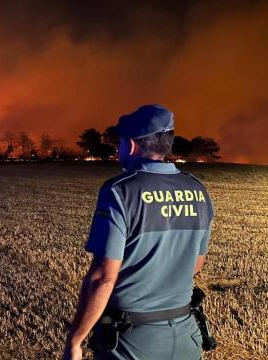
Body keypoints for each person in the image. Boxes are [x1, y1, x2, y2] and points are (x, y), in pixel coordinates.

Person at [63, 104, 214, 360]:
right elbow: (196, 266)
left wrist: (75, 340)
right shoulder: (198, 189)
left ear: (131, 145)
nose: (118, 149)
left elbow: (103, 278)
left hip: (133, 343)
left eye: (119, 143)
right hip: (187, 334)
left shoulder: (120, 191)